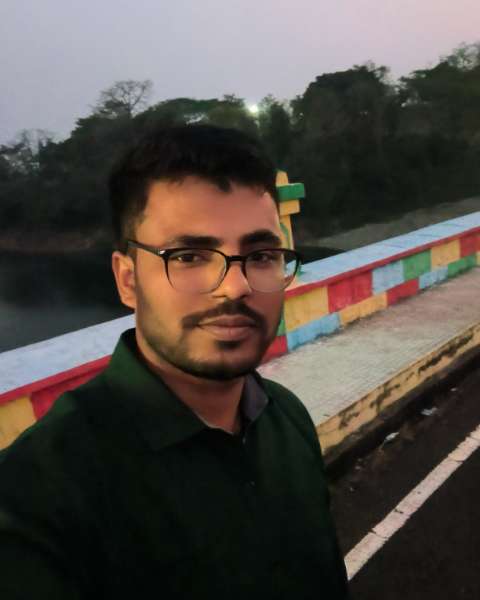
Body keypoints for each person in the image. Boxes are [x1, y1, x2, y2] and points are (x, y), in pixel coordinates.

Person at [0, 125, 350, 599]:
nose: (235, 287)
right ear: (128, 281)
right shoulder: (39, 495)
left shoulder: (286, 418)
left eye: (262, 255)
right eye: (188, 256)